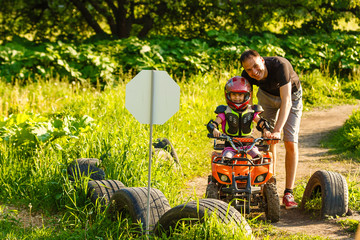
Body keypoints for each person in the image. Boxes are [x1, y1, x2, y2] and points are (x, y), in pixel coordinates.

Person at [240, 49, 303, 210]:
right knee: (268, 141)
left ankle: (288, 193)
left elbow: (286, 101)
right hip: (266, 98)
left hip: (291, 97)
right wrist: (261, 124)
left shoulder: (280, 65)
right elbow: (248, 105)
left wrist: (277, 130)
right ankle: (270, 184)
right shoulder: (246, 75)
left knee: (289, 141)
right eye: (249, 69)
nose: (254, 72)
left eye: (255, 66)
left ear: (262, 60)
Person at [206, 76, 274, 161]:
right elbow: (213, 125)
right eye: (234, 94)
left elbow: (261, 122)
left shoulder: (252, 110)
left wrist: (266, 131)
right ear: (228, 95)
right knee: (226, 159)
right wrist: (214, 130)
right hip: (230, 145)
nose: (237, 97)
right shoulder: (225, 111)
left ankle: (258, 174)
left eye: (240, 95)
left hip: (249, 145)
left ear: (246, 95)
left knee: (259, 158)